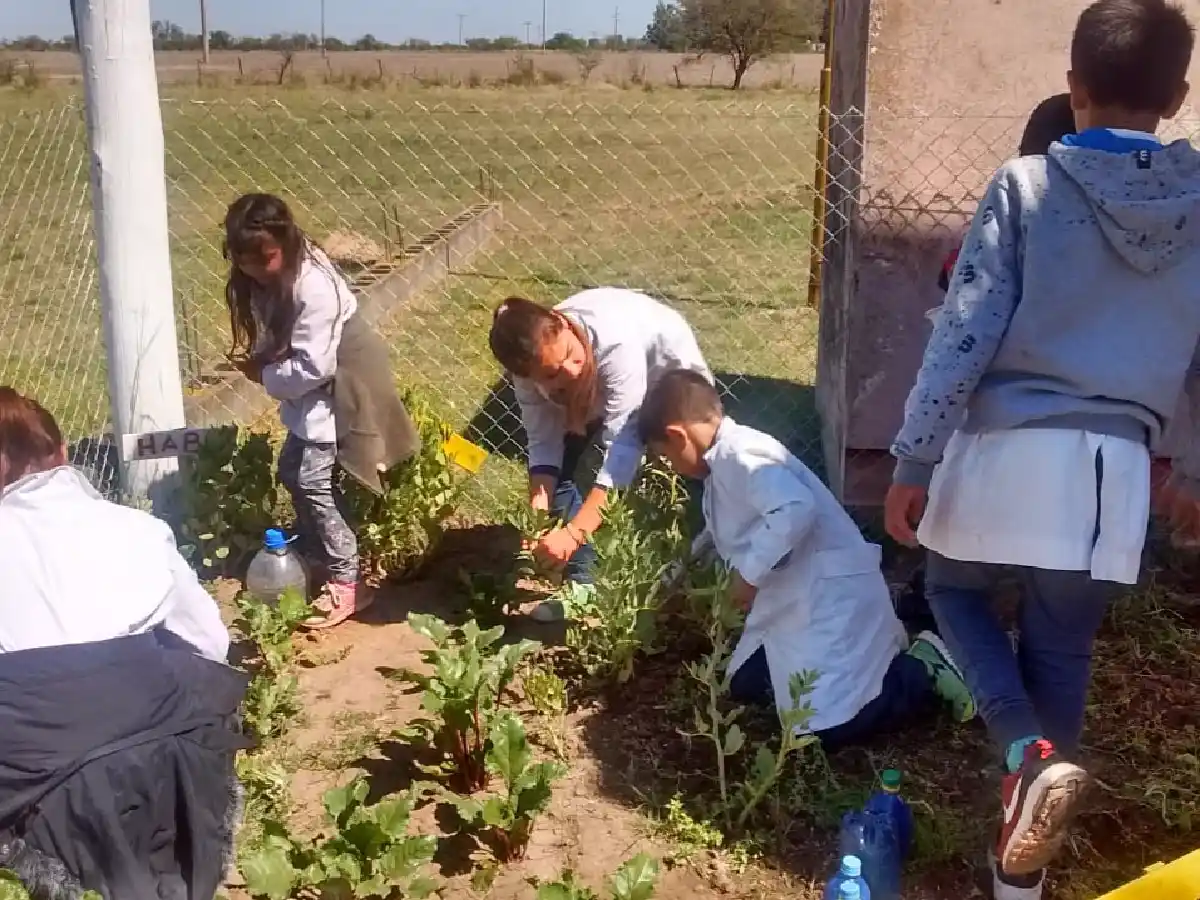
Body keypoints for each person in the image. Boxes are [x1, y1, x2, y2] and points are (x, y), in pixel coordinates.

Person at [884, 1, 1200, 896]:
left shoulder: (1027, 185)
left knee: (950, 588)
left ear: (1074, 87)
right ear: (1176, 96)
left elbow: (964, 334)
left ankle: (1024, 753)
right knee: (1062, 649)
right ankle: (1017, 883)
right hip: (1115, 479)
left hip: (1005, 452)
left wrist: (913, 458)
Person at [638, 369, 976, 746]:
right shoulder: (722, 465)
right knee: (744, 684)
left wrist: (746, 579)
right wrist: (676, 579)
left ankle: (922, 670)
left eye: (665, 456)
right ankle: (867, 663)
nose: (670, 465)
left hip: (830, 596)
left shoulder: (740, 455)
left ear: (676, 436)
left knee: (826, 727)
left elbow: (795, 509)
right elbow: (723, 532)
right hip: (794, 602)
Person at [0, 387, 249, 899]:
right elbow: (211, 644)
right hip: (166, 761)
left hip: (38, 783)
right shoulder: (138, 529)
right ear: (64, 451)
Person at [224, 193, 421, 629]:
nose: (255, 270)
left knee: (314, 482)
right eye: (245, 261)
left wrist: (265, 374)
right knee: (293, 471)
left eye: (265, 259)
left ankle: (349, 581)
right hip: (311, 387)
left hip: (339, 385)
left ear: (286, 241)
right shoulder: (271, 276)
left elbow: (315, 366)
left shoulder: (314, 286)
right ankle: (316, 553)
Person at [488, 288, 712, 594]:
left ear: (561, 322)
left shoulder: (615, 342)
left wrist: (574, 533)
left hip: (666, 375)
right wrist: (536, 517)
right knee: (560, 474)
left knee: (699, 466)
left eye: (568, 354)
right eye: (552, 375)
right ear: (529, 378)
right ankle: (585, 585)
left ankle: (704, 570)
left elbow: (621, 454)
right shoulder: (528, 378)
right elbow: (544, 447)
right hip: (603, 382)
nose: (571, 370)